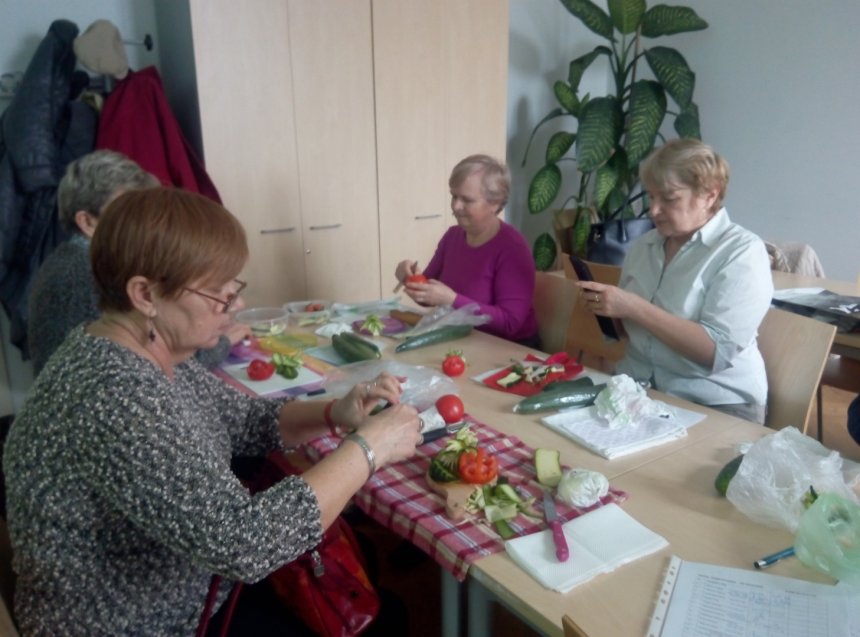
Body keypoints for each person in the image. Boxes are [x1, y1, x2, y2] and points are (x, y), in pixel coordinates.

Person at [3, 187, 422, 636]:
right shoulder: (113, 394)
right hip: (144, 622)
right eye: (219, 293)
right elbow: (246, 544)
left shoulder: (144, 347)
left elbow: (248, 421)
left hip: (194, 583)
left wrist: (334, 413)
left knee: (365, 585)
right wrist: (369, 448)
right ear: (145, 294)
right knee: (381, 621)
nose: (235, 304)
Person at [576, 139, 773, 424]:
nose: (653, 210)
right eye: (651, 197)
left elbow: (715, 353)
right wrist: (607, 310)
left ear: (709, 195)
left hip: (715, 402)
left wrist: (633, 307)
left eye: (669, 198)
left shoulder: (742, 252)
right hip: (639, 390)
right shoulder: (644, 246)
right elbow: (631, 332)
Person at [27, 150, 249, 376]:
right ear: (87, 222)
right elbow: (145, 360)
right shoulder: (85, 272)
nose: (145, 223)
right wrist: (221, 342)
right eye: (124, 213)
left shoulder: (71, 258)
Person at [394, 154, 539, 347]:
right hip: (463, 339)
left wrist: (452, 300)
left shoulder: (513, 249)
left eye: (467, 200)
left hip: (508, 349)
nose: (456, 206)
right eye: (454, 196)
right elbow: (428, 296)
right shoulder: (452, 236)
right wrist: (409, 277)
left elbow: (510, 323)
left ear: (495, 204)